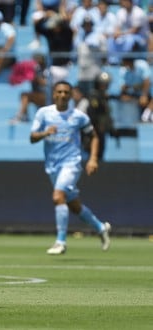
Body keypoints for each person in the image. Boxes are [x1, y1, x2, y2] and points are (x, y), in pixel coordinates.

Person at [30, 81, 111, 255]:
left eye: (66, 92)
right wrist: (45, 133)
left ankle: (61, 241)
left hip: (72, 163)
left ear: (71, 95)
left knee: (58, 196)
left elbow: (94, 136)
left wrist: (93, 159)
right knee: (73, 205)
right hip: (52, 166)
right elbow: (32, 137)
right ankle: (100, 227)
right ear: (54, 94)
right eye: (59, 91)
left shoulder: (79, 116)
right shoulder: (44, 113)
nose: (62, 95)